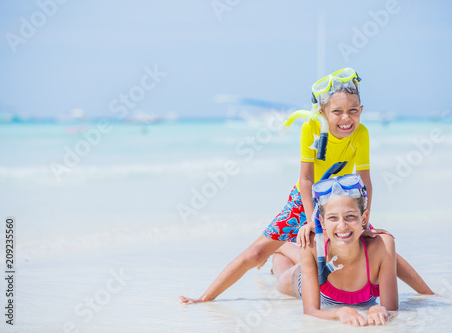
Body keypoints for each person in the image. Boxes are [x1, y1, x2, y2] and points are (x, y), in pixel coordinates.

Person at [179, 68, 432, 305]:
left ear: (362, 110)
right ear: (323, 113)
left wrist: (365, 220)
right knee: (256, 253)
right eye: (337, 112)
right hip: (305, 198)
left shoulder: (361, 133)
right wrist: (311, 220)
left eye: (353, 111)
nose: (346, 118)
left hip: (340, 200)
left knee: (379, 245)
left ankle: (430, 295)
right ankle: (204, 298)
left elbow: (365, 180)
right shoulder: (311, 127)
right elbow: (306, 179)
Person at [272, 173, 397, 327]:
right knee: (282, 275)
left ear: (364, 218)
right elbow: (310, 310)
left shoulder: (383, 245)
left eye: (350, 216)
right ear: (322, 223)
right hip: (305, 278)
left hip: (324, 259)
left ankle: (283, 248)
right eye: (332, 218)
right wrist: (339, 312)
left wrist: (379, 309)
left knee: (306, 258)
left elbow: (392, 308)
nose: (342, 225)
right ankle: (279, 247)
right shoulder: (312, 246)